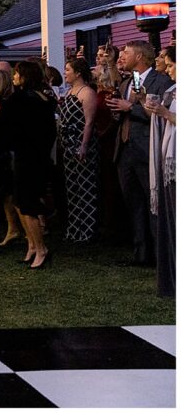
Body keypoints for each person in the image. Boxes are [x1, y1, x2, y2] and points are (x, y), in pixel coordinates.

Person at [106, 40, 173, 267]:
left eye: (126, 52)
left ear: (141, 56)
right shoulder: (128, 81)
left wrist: (131, 108)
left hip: (147, 149)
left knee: (153, 202)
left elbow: (160, 115)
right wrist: (117, 109)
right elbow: (124, 111)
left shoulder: (161, 81)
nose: (122, 55)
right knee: (133, 203)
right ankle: (141, 253)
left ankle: (160, 254)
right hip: (125, 150)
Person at [0, 61, 58, 269]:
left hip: (25, 157)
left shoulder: (20, 99)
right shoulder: (45, 98)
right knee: (22, 201)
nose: (14, 76)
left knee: (26, 203)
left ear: (25, 76)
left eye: (17, 73)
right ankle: (31, 245)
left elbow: (7, 126)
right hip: (40, 156)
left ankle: (41, 248)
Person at [145, 45, 175, 297]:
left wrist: (165, 113)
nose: (170, 70)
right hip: (168, 162)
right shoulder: (172, 91)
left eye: (172, 65)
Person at [60, 58, 99, 242]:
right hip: (67, 144)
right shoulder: (69, 92)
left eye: (68, 70)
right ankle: (74, 228)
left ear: (78, 73)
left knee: (85, 187)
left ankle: (87, 230)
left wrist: (84, 145)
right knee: (72, 188)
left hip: (82, 144)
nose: (65, 72)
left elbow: (89, 122)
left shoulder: (87, 93)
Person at [93, 44, 126, 241]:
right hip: (100, 138)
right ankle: (106, 222)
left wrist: (111, 61)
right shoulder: (97, 90)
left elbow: (116, 82)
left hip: (110, 138)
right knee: (104, 182)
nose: (99, 59)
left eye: (102, 56)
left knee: (111, 182)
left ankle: (113, 225)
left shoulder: (112, 90)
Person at [0, 65, 23, 247]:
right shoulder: (3, 101)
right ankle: (12, 228)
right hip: (2, 151)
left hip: (8, 152)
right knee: (4, 193)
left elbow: (3, 129)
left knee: (10, 192)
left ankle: (20, 228)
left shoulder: (8, 103)